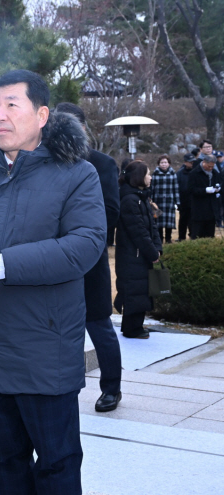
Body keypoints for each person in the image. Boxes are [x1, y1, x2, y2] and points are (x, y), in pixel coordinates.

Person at [0, 70, 106, 495]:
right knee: (6, 462)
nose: (0, 116)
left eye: (12, 104)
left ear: (42, 114)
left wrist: (2, 264)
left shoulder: (76, 174)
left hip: (43, 351)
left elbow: (84, 245)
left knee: (57, 465)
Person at [55, 102, 122, 413]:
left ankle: (112, 387)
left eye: (71, 124)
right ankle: (59, 387)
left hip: (89, 260)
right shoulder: (47, 162)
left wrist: (76, 236)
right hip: (53, 261)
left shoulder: (101, 163)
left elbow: (111, 212)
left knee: (99, 326)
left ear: (82, 128)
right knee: (56, 330)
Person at [114, 160, 162, 339]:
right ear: (138, 177)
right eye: (147, 173)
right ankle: (131, 328)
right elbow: (138, 231)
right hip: (132, 255)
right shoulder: (129, 200)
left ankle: (137, 325)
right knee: (134, 290)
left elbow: (152, 227)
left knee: (142, 290)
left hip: (142, 254)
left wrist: (157, 248)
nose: (150, 177)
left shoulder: (141, 197)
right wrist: (151, 252)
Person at [188, 154, 222, 239]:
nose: (210, 168)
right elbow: (191, 189)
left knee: (210, 235)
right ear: (204, 162)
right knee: (197, 234)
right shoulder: (194, 173)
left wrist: (217, 189)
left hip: (211, 209)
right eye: (209, 166)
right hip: (199, 209)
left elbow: (219, 183)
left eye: (212, 166)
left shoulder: (215, 173)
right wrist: (205, 190)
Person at [150, 154, 180, 244]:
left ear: (169, 163)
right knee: (158, 222)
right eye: (161, 162)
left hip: (169, 202)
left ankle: (168, 238)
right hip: (158, 202)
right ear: (158, 164)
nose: (163, 164)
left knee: (169, 222)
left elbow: (176, 188)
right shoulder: (154, 174)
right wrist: (151, 202)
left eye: (165, 162)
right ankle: (159, 239)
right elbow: (152, 189)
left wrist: (177, 202)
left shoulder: (173, 174)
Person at [176, 153, 196, 241]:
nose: (192, 164)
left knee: (193, 220)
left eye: (193, 162)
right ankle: (181, 237)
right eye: (190, 162)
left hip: (194, 200)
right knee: (183, 220)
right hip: (183, 200)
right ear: (185, 162)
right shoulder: (180, 173)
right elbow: (177, 187)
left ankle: (193, 235)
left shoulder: (196, 171)